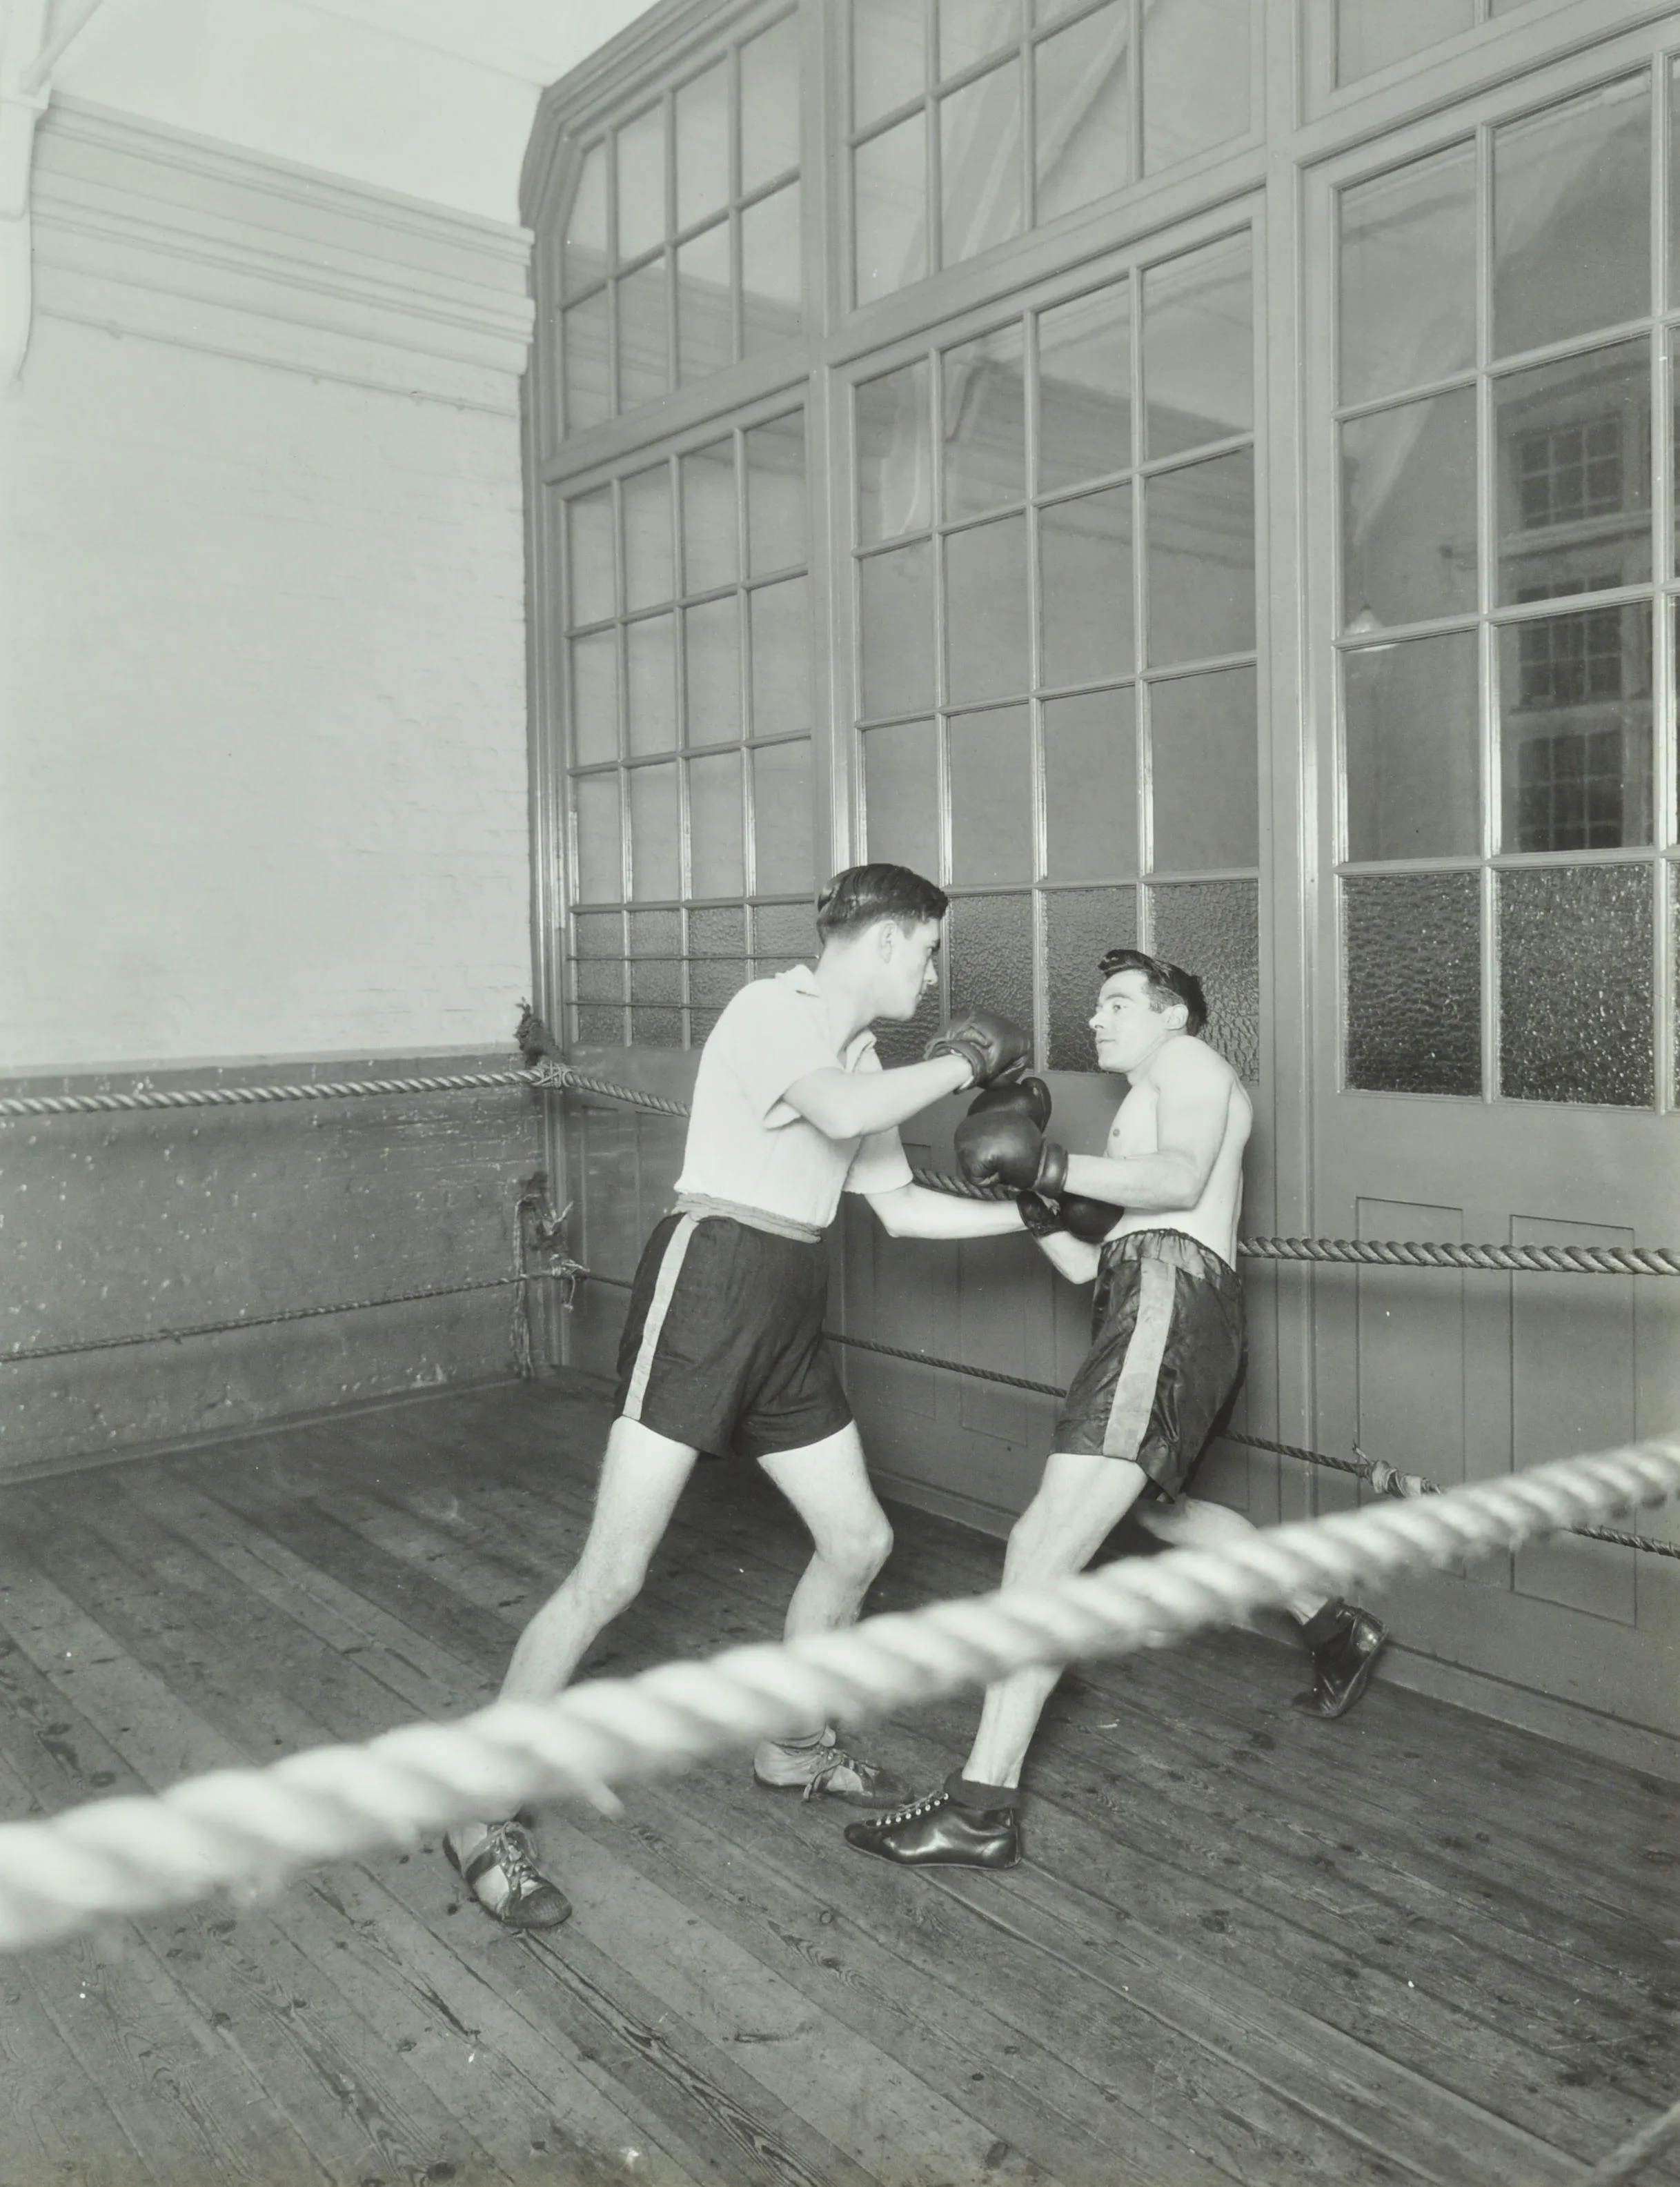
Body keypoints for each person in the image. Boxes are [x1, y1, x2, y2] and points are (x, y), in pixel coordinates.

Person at [446, 864, 1039, 1927]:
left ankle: (791, 1740)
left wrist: (1043, 1220)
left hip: (787, 1297)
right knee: (611, 1572)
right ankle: (475, 1808)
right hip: (711, 1277)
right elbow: (841, 1106)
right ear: (887, 941)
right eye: (930, 949)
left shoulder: (864, 1056)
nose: (937, 972)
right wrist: (957, 1060)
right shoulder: (776, 1011)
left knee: (856, 1542)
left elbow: (899, 1210)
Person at [844, 947, 1387, 1873]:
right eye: (1094, 1007)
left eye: (1119, 1003)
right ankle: (1333, 1625)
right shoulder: (1145, 1103)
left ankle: (981, 1805)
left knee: (1041, 1546)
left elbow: (1176, 1186)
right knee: (1157, 1508)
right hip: (1147, 1305)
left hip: (1169, 1309)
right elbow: (1094, 1265)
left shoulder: (1191, 1068)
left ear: (1174, 1012)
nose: (1096, 1020)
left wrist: (1053, 1160)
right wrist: (1033, 1195)